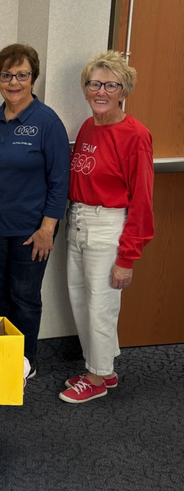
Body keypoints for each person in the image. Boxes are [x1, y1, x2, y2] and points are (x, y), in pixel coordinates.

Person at [60, 51, 154, 404]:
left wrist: (127, 257)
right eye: (94, 83)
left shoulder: (135, 135)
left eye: (110, 85)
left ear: (123, 90)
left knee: (101, 305)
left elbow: (143, 201)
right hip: (80, 220)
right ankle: (102, 368)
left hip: (108, 226)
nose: (101, 91)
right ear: (86, 89)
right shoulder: (88, 126)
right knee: (80, 299)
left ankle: (96, 377)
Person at [0, 44, 70, 376]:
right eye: (6, 75)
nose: (14, 82)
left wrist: (47, 229)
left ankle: (24, 363)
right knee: (0, 294)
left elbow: (59, 181)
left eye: (22, 75)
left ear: (33, 78)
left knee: (25, 297)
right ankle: (0, 357)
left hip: (32, 230)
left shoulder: (47, 122)